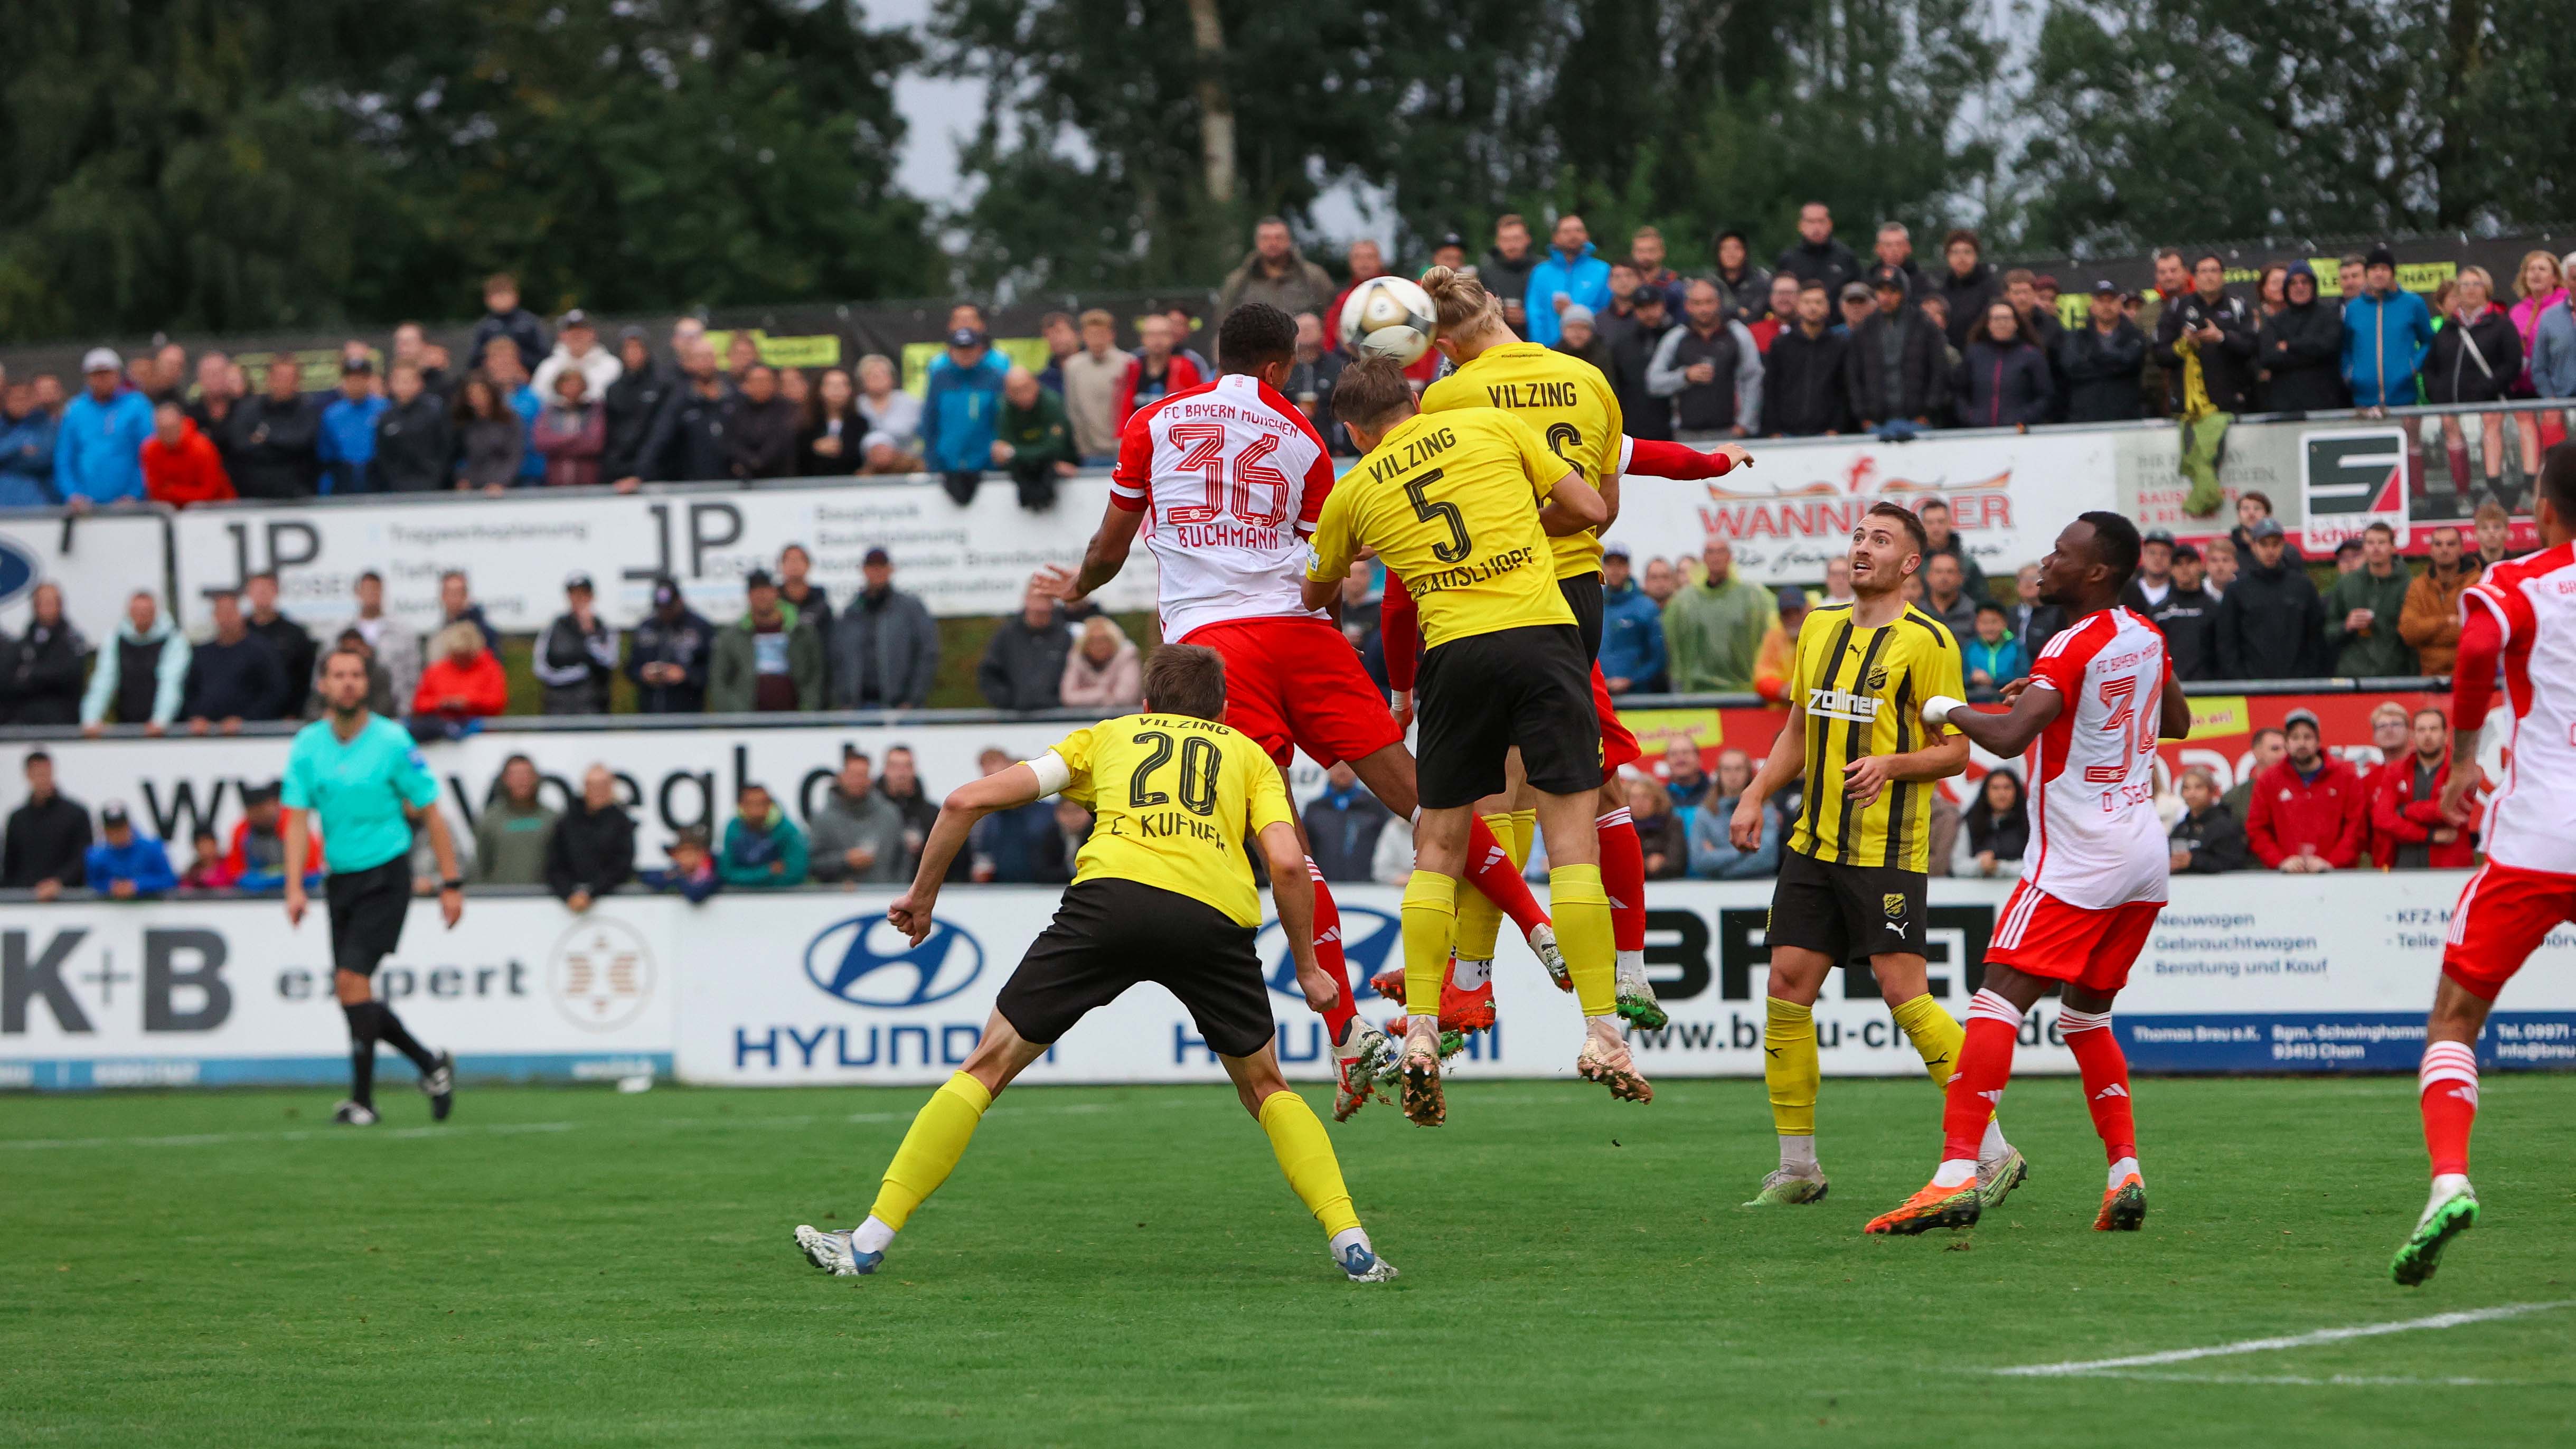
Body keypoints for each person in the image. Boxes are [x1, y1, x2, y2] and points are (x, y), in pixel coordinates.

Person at [1045, 303, 1572, 1118]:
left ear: (1213, 356)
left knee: (1283, 836)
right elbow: (1322, 554)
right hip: (1305, 635)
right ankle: (1538, 927)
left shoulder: (1153, 420)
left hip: (1217, 651)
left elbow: (1110, 549)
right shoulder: (1300, 436)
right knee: (1423, 803)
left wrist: (1076, 589)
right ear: (1281, 367)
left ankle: (1347, 1032)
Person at [795, 645, 1396, 1285]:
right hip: (1210, 920)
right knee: (1265, 1087)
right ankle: (1351, 1242)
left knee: (987, 1064)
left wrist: (921, 896)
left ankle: (866, 1241)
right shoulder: (1248, 755)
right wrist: (1306, 966)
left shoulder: (1107, 738)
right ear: (1222, 709)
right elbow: (1283, 862)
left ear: (1146, 705)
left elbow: (963, 801)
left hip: (1108, 903)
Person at [1392, 270, 1757, 1036]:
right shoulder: (1585, 377)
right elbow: (1615, 485)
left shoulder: (1451, 398)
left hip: (1495, 601)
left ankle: (1472, 978)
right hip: (1579, 600)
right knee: (1594, 784)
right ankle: (1622, 969)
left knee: (1491, 796)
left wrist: (1401, 674)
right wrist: (1713, 463)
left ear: (1446, 346)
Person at [1301, 350, 1639, 1125]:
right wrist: (1523, 527)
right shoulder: (1492, 423)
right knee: (1572, 847)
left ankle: (1421, 1031)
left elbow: (1320, 591)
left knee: (1440, 849)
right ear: (1416, 402)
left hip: (1452, 654)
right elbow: (1591, 510)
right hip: (1544, 639)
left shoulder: (1354, 488)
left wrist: (1353, 548)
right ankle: (1602, 1032)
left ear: (1353, 432)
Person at [1867, 511, 2188, 1235]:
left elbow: (2009, 740)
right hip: (2141, 854)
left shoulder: (2069, 645)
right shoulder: (2146, 635)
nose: (2043, 563)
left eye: (2059, 553)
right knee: (2084, 1016)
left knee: (1994, 1002)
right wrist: (2053, 700)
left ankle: (1956, 1172)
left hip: (2078, 859)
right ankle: (2123, 1171)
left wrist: (1947, 707)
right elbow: (2177, 723)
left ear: (2095, 572)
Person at [1729, 502, 1996, 1210]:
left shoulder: (1929, 640)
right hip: (1811, 843)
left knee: (1902, 991)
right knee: (1786, 986)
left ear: (1910, 564)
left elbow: (1957, 751)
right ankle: (1797, 1169)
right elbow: (1796, 728)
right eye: (1857, 536)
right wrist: (1755, 793)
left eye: (1879, 541)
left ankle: (1993, 1150)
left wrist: (1892, 764)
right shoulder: (1816, 625)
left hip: (1885, 847)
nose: (1861, 549)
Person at [2389, 445, 2574, 1283]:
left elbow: (2469, 657)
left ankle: (2449, 1181)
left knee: (2455, 1018)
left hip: (2537, 838)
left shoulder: (2514, 582)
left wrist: (2463, 757)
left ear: (2540, 505)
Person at [283, 645, 464, 1127]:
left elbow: (431, 809)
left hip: (386, 874)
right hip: (339, 879)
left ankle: (364, 1102)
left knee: (350, 981)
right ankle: (430, 1065)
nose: (347, 683)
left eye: (356, 675)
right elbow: (297, 820)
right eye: (338, 675)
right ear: (323, 684)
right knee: (351, 991)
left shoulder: (391, 741)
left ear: (367, 684)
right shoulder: (307, 746)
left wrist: (452, 883)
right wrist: (294, 886)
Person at [2426, 265, 2523, 500]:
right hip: (2452, 404)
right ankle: (2462, 492)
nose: (2470, 289)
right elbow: (2430, 366)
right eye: (2465, 285)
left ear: (2487, 288)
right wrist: (2437, 393)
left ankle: (2494, 487)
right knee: (2452, 430)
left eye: (2476, 284)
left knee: (2491, 424)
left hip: (2488, 403)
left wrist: (2486, 389)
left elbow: (2512, 364)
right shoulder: (2448, 329)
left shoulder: (2501, 325)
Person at [2244, 709, 2368, 872]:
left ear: (2318, 741)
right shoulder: (2269, 780)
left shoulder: (2346, 776)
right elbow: (2257, 828)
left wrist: (2332, 863)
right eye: (2295, 737)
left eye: (2308, 737)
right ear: (2287, 743)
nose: (2302, 743)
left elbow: (2356, 828)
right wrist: (2281, 861)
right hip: (2287, 877)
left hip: (2337, 876)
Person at [1647, 279, 1763, 437]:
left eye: (1709, 302)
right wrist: (1685, 376)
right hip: (1686, 433)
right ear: (1687, 306)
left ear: (1719, 303)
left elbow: (1753, 378)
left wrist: (1745, 424)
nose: (1704, 309)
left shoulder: (1738, 334)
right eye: (1697, 303)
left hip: (1730, 431)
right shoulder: (1676, 338)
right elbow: (1653, 382)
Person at [2214, 519, 2327, 679]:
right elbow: (2227, 643)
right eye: (2264, 544)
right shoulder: (2237, 590)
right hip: (2253, 690)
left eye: (2275, 544)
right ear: (2253, 547)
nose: (2270, 550)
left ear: (2283, 545)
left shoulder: (2303, 586)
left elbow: (2316, 637)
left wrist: (2308, 676)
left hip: (2299, 687)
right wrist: (2241, 680)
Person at [831, 548, 939, 710]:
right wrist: (844, 700)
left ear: (891, 569)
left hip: (903, 708)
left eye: (881, 566)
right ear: (864, 570)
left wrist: (913, 699)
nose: (877, 572)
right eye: (872, 567)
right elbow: (838, 658)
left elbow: (927, 654)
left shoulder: (911, 608)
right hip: (860, 708)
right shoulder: (851, 613)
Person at [1663, 537, 1775, 692]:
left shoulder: (1753, 598)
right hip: (1696, 694)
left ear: (1730, 557)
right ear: (1704, 558)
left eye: (1721, 551)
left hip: (1742, 694)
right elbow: (1671, 648)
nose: (1716, 557)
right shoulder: (1683, 602)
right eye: (1711, 552)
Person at [2372, 708, 2475, 871]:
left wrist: (2404, 811)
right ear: (2413, 736)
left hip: (2450, 867)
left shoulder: (2460, 770)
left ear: (2445, 735)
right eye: (2421, 730)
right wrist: (2430, 835)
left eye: (2434, 729)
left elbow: (2452, 812)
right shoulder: (2396, 770)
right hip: (2402, 866)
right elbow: (2382, 819)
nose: (2428, 735)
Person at [708, 569, 823, 713]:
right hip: (749, 723)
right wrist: (735, 714)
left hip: (796, 720)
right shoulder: (731, 637)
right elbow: (719, 681)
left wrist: (809, 709)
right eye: (756, 592)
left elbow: (816, 674)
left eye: (766, 590)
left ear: (776, 593)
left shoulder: (802, 632)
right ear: (749, 596)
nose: (762, 596)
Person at [80, 590, 190, 736]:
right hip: (126, 723)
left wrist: (160, 721)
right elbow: (104, 681)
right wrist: (91, 720)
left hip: (165, 730)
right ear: (129, 612)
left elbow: (170, 683)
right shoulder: (115, 639)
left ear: (155, 612)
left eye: (146, 611)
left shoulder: (173, 640)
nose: (142, 616)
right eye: (137, 611)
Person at [54, 349, 156, 507]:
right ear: (87, 378)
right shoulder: (75, 409)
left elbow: (149, 454)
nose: (102, 379)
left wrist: (134, 494)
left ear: (118, 375)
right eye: (96, 374)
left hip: (130, 507)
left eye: (107, 373)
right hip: (85, 509)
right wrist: (72, 494)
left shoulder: (137, 406)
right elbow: (64, 457)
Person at [180, 588, 290, 732]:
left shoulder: (261, 650)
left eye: (231, 612)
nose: (227, 618)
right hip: (205, 734)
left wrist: (246, 720)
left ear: (241, 615)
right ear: (214, 617)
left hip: (251, 734)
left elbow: (275, 692)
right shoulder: (202, 653)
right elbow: (189, 691)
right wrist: (196, 716)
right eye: (221, 613)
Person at [2344, 245, 2434, 411]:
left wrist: (2413, 367)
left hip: (2405, 399)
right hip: (2363, 402)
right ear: (2367, 274)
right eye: (2373, 269)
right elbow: (2346, 347)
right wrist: (2350, 373)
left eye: (2384, 268)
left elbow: (2428, 341)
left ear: (2393, 272)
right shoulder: (2353, 309)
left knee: (2410, 439)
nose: (2379, 273)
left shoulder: (2413, 303)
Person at [2323, 521, 2417, 677]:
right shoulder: (2346, 584)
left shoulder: (2410, 586)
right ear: (2364, 548)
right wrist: (2346, 626)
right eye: (2370, 543)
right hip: (2353, 677)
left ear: (2393, 547)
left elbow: (2415, 637)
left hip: (2396, 676)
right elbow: (2327, 632)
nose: (2376, 548)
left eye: (2382, 542)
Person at [1761, 280, 1850, 436]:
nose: (1813, 307)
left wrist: (1837, 427)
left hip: (1827, 434)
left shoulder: (1839, 345)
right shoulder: (1781, 344)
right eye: (1807, 302)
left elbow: (1844, 390)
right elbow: (1770, 389)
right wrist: (1773, 430)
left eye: (1818, 302)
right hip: (1786, 433)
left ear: (1828, 307)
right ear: (1798, 306)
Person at [2257, 262, 2347, 412]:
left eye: (2305, 282)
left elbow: (2329, 347)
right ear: (2287, 288)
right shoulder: (2275, 322)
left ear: (2314, 285)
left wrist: (2290, 346)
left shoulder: (2330, 316)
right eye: (2293, 283)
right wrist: (2313, 355)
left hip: (2325, 406)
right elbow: (2268, 357)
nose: (2300, 287)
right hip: (2285, 409)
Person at [809, 750, 907, 886]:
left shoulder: (890, 815)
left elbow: (904, 860)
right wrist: (844, 861)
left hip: (886, 899)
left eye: (862, 776)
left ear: (870, 779)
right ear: (841, 777)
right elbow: (812, 864)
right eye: (853, 776)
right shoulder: (823, 819)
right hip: (839, 901)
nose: (857, 781)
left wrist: (897, 889)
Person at [546, 765, 636, 911]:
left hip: (611, 901)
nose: (598, 791)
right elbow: (555, 864)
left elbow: (622, 865)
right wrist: (569, 895)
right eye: (594, 786)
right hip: (570, 901)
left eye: (603, 785)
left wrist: (592, 893)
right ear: (585, 787)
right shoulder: (568, 822)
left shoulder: (622, 823)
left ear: (612, 788)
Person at [2, 751, 91, 898]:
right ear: (28, 775)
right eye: (38, 774)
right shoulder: (17, 819)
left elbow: (83, 858)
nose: (43, 779)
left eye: (46, 773)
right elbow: (10, 866)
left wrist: (60, 882)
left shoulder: (76, 814)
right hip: (25, 900)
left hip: (69, 899)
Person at [2060, 279, 2148, 422]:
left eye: (2111, 300)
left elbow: (2131, 363)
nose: (2106, 306)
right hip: (2085, 419)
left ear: (2120, 304)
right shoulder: (2077, 337)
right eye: (2101, 301)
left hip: (2125, 419)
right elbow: (2072, 368)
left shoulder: (2135, 336)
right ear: (2092, 305)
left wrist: (2093, 360)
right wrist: (2115, 364)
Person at [1953, 301, 2052, 428]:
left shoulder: (2031, 355)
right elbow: (1959, 392)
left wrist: (2024, 417)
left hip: (2018, 433)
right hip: (1979, 433)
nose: (2001, 323)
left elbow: (2045, 396)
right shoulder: (1974, 354)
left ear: (2016, 323)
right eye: (1996, 319)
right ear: (1988, 324)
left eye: (2006, 318)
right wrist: (1969, 416)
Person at [532, 573, 618, 715]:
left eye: (583, 594)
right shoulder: (555, 626)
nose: (579, 599)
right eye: (574, 594)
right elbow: (539, 667)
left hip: (592, 708)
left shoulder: (603, 627)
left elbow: (610, 661)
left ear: (591, 596)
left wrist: (590, 634)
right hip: (557, 708)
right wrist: (572, 675)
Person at [1521, 213, 1612, 348]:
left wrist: (1575, 311)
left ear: (1587, 236)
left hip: (1591, 350)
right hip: (1549, 350)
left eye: (1578, 230)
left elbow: (1608, 311)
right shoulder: (1541, 273)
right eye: (1566, 231)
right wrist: (1540, 347)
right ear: (1555, 238)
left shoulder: (1603, 270)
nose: (1573, 235)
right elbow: (1535, 314)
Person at [1689, 748, 1782, 879]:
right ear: (1719, 773)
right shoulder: (1705, 812)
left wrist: (1720, 864)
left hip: (1759, 886)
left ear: (1748, 773)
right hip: (1715, 891)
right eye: (1727, 769)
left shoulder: (1765, 809)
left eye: (1738, 769)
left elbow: (1768, 859)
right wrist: (1744, 852)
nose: (1733, 775)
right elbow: (1699, 861)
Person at [627, 578, 714, 714]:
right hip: (650, 714)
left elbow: (713, 671)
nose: (665, 612)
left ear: (679, 601)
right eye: (660, 608)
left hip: (688, 715)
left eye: (669, 607)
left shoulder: (699, 628)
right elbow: (630, 668)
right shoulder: (646, 628)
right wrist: (644, 673)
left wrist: (685, 674)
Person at [2399, 525, 2478, 675]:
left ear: (2462, 549)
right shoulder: (2418, 586)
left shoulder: (2477, 582)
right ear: (2431, 550)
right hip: (2428, 678)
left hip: (2469, 675)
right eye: (2438, 544)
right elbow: (2408, 632)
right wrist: (2447, 621)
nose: (2444, 549)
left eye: (2451, 544)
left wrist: (2428, 633)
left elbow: (2476, 633)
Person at [977, 586, 1072, 711]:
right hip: (1014, 718)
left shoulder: (1066, 637)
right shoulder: (1006, 635)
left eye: (1045, 600)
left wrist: (1061, 701)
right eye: (1036, 599)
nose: (1040, 607)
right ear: (1026, 600)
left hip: (1058, 717)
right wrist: (1008, 701)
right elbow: (989, 673)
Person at [471, 755, 558, 886]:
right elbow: (480, 864)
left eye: (527, 774)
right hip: (501, 899)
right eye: (515, 775)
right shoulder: (490, 819)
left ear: (536, 779)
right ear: (505, 780)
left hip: (545, 900)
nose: (522, 780)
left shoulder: (553, 819)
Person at [1597, 543, 1666, 694]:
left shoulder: (1647, 607)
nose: (1615, 570)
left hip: (1637, 700)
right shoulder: (1594, 604)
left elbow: (1659, 658)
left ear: (1629, 568)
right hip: (1599, 697)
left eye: (1620, 564)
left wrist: (1631, 680)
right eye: (1610, 564)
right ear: (1603, 567)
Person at [410, 622, 506, 729]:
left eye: (465, 656)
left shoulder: (490, 668)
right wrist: (440, 703)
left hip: (483, 731)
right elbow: (419, 703)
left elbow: (497, 701)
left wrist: (468, 703)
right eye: (456, 655)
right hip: (441, 731)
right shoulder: (436, 671)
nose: (461, 660)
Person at [140, 398, 233, 506]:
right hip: (172, 511)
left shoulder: (202, 448)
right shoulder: (151, 449)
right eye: (162, 429)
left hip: (215, 510)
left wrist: (172, 490)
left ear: (182, 423)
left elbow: (209, 492)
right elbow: (156, 492)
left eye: (172, 428)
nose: (168, 434)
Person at [2149, 544, 2222, 681]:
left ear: (2201, 566)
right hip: (2170, 689)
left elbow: (2223, 652)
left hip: (2208, 691)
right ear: (2171, 569)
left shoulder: (2214, 609)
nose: (2184, 568)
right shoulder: (2158, 612)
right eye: (2178, 564)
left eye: (2190, 563)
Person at [717, 782, 808, 889]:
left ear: (770, 805)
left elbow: (796, 874)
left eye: (761, 804)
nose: (756, 810)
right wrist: (767, 872)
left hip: (781, 899)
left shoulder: (788, 831)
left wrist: (745, 877)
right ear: (741, 806)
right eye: (750, 804)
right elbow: (726, 874)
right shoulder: (733, 829)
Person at [531, 369, 607, 487]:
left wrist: (559, 445)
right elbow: (542, 442)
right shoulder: (549, 412)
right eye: (567, 384)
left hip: (587, 480)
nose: (572, 389)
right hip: (556, 480)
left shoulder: (594, 410)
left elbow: (594, 444)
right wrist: (576, 438)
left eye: (576, 384)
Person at [85, 802, 177, 898]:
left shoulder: (152, 849)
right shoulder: (96, 856)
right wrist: (110, 886)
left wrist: (138, 885)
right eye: (113, 830)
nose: (118, 834)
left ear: (129, 826)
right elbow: (92, 884)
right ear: (105, 831)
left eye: (121, 828)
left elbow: (169, 880)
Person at [2167, 766, 2248, 874]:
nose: (2192, 793)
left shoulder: (2226, 826)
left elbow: (2233, 864)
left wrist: (2194, 861)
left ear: (2212, 791)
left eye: (2199, 787)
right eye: (2187, 788)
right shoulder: (2181, 828)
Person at [1951, 767, 2028, 879]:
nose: (2002, 793)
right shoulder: (1970, 823)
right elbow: (1957, 865)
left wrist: (2000, 868)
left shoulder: (2030, 824)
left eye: (2007, 788)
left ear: (2017, 791)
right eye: (1995, 788)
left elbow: (2036, 865)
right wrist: (1980, 865)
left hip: (2020, 892)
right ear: (1986, 792)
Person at [468, 273, 549, 375]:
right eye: (497, 295)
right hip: (493, 380)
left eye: (505, 294)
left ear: (516, 296)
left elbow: (543, 356)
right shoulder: (485, 327)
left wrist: (517, 361)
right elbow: (475, 361)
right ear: (487, 300)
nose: (502, 299)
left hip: (528, 376)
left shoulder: (529, 322)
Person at [1057, 614, 1141, 711]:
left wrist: (1084, 695)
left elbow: (1125, 698)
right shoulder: (1076, 658)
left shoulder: (1128, 656)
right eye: (1092, 641)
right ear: (1084, 644)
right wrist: (1102, 693)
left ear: (1114, 641)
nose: (1099, 646)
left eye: (1104, 640)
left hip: (1124, 716)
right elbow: (1068, 697)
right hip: (1083, 718)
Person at [1961, 601, 2026, 698]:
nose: (1989, 628)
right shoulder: (1969, 648)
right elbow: (1959, 677)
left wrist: (1993, 681)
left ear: (2004, 623)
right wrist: (1972, 679)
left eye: (1994, 622)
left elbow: (2023, 677)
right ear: (1977, 624)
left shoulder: (2016, 647)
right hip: (1975, 702)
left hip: (2007, 701)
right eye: (1984, 622)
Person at [2220, 726, 2285, 822]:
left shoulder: (2302, 788)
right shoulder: (2235, 798)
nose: (2284, 754)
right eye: (2275, 749)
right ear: (2257, 753)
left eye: (2287, 748)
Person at [1628, 777, 1685, 880]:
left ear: (1657, 800)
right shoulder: (1623, 827)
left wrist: (1662, 865)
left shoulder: (1672, 823)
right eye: (1634, 797)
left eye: (1645, 797)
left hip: (1669, 885)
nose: (1639, 802)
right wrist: (1646, 864)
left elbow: (1677, 862)